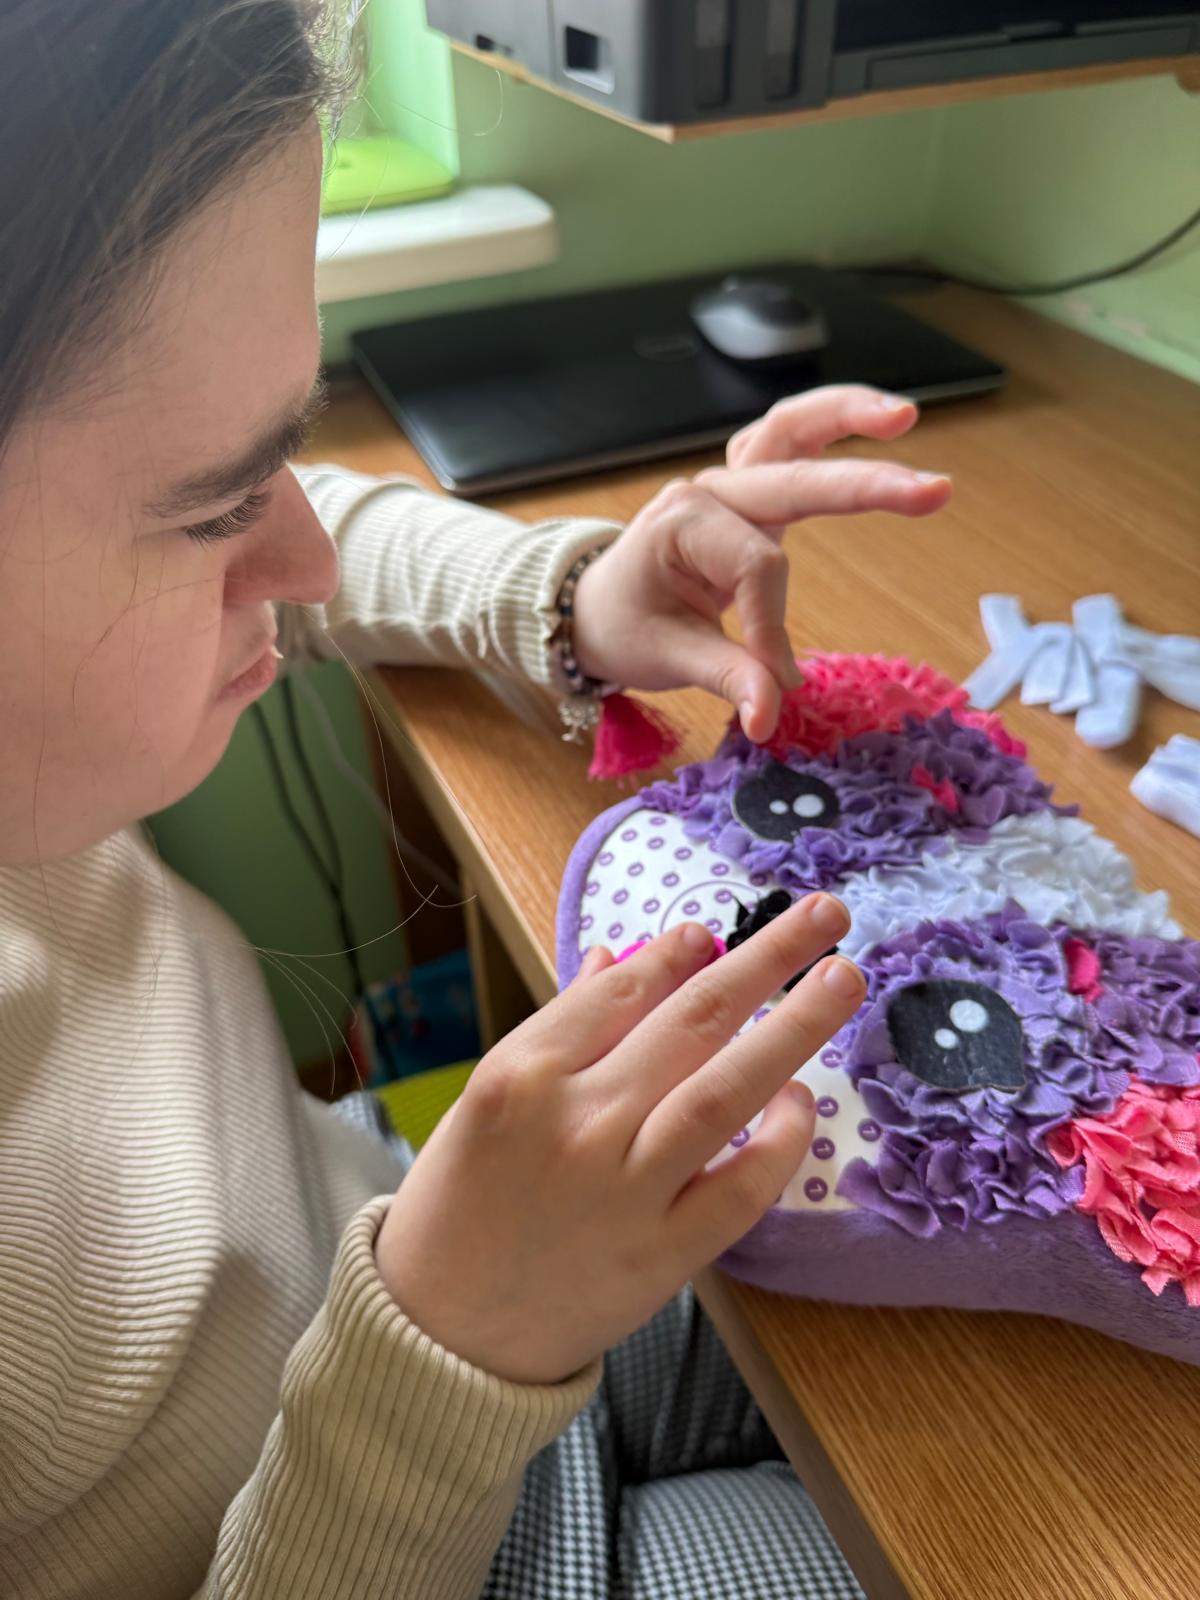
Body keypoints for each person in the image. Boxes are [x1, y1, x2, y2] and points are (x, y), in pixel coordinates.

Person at [0, 3, 952, 1596]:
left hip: (412, 1261)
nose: (305, 563)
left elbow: (317, 523)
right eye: (219, 512)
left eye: (274, 457)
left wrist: (565, 593)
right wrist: (452, 1346)